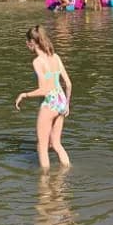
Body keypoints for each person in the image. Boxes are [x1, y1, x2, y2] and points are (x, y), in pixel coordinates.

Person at [15, 25, 72, 172]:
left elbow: (44, 90)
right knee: (56, 144)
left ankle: (45, 183)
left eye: (26, 42)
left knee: (42, 145)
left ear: (31, 43)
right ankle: (66, 173)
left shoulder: (38, 62)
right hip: (61, 100)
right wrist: (67, 105)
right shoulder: (56, 57)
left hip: (49, 103)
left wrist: (24, 95)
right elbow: (68, 84)